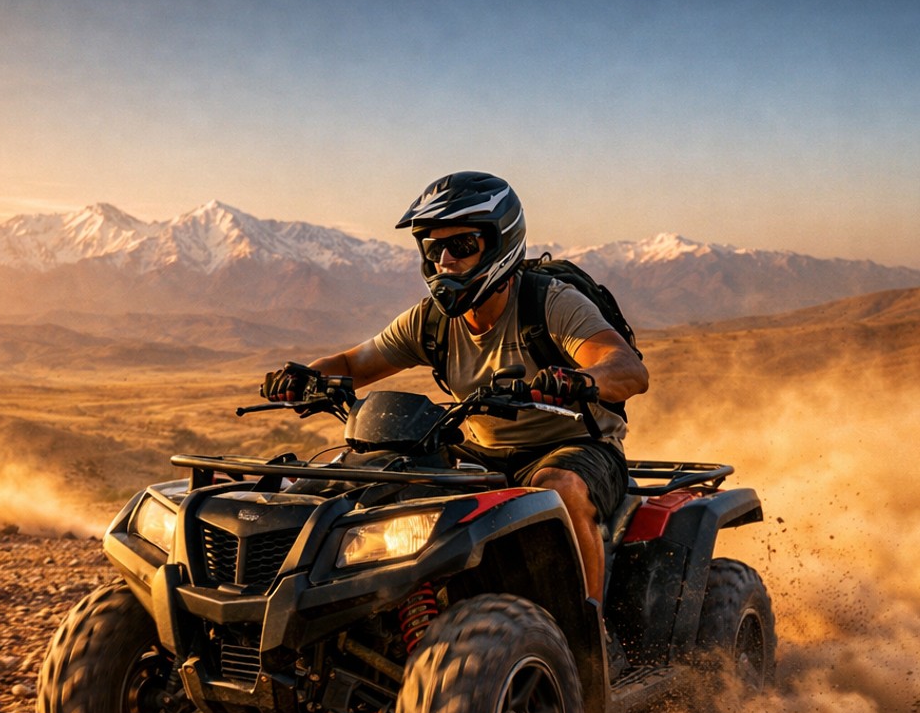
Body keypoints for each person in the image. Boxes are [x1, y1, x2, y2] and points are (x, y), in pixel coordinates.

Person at [261, 171, 649, 603]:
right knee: (375, 477)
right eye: (434, 247)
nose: (445, 260)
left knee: (559, 488)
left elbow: (628, 370)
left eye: (461, 246)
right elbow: (354, 362)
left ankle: (586, 632)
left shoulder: (550, 304)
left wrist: (581, 380)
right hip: (481, 452)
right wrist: (305, 377)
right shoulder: (431, 321)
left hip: (578, 446)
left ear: (501, 242)